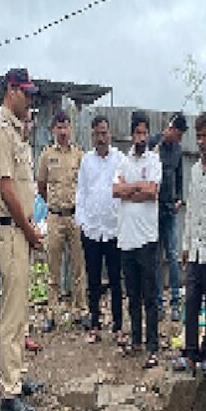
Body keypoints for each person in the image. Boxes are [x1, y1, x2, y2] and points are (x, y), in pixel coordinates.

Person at [0, 68, 45, 411]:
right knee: (10, 317)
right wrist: (27, 229)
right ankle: (9, 391)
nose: (30, 100)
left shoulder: (16, 133)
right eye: (26, 94)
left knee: (21, 311)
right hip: (12, 233)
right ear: (11, 91)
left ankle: (18, 377)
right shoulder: (0, 132)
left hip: (20, 233)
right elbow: (7, 189)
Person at [174, 112, 206, 375]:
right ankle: (191, 352)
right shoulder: (194, 170)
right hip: (194, 249)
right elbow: (191, 209)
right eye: (198, 136)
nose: (201, 141)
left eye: (205, 136)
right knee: (192, 302)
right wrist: (185, 245)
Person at [113, 111, 162, 369]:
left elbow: (153, 191)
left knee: (150, 296)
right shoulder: (123, 161)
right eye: (138, 133)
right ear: (132, 134)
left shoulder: (154, 160)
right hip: (126, 239)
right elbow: (115, 190)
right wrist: (135, 188)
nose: (141, 137)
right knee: (132, 295)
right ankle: (136, 340)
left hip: (147, 238)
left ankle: (153, 344)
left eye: (145, 133)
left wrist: (128, 189)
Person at [37, 109, 86, 329]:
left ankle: (80, 310)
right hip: (55, 217)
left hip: (75, 216)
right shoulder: (47, 155)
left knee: (78, 267)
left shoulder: (79, 154)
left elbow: (85, 185)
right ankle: (52, 313)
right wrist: (52, 205)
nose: (63, 131)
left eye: (66, 127)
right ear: (53, 129)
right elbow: (41, 185)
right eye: (59, 127)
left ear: (70, 128)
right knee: (53, 269)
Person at [77, 115, 124, 345]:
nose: (101, 137)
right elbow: (82, 193)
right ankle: (94, 324)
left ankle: (118, 326)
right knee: (93, 280)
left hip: (114, 229)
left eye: (104, 133)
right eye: (97, 134)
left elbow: (124, 192)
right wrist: (83, 223)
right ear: (92, 135)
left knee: (116, 280)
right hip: (93, 230)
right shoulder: (86, 161)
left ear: (110, 134)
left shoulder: (120, 160)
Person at [153, 113, 187, 321]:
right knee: (156, 256)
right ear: (171, 130)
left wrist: (179, 200)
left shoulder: (178, 151)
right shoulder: (154, 145)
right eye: (179, 134)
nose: (180, 139)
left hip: (170, 209)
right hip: (154, 209)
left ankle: (175, 301)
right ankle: (158, 302)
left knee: (173, 255)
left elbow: (180, 177)